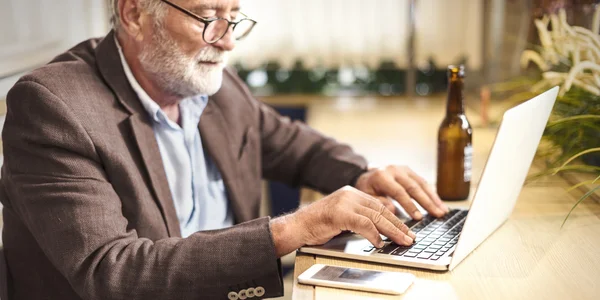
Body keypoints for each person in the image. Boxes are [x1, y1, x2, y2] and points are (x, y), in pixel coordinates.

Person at [0, 0, 448, 299]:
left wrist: (364, 174)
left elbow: (293, 145)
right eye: (208, 16)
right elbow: (111, 270)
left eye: (233, 15)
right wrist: (290, 230)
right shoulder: (53, 106)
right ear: (134, 13)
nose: (228, 39)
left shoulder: (209, 82)